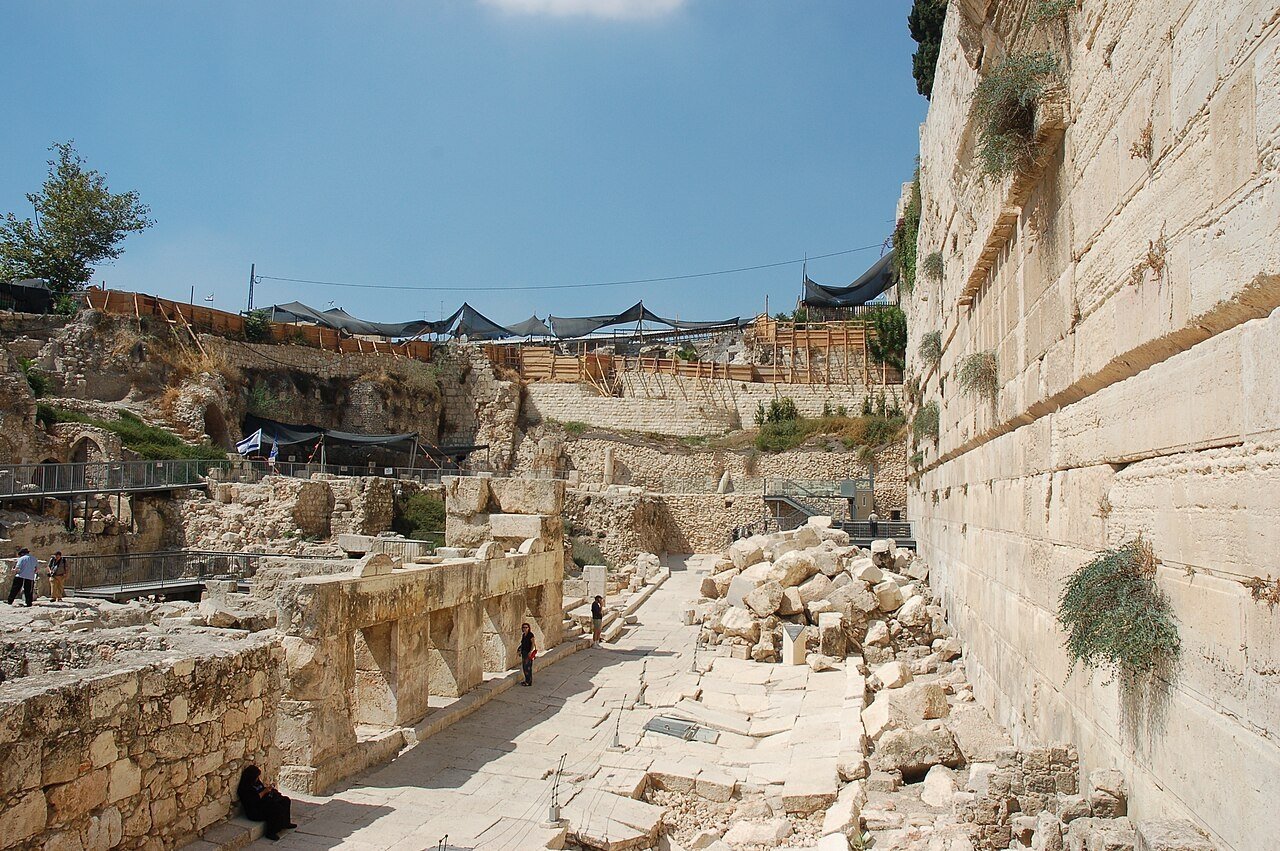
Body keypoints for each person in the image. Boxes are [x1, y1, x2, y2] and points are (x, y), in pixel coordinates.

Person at [237, 765, 295, 841]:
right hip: (255, 811)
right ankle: (271, 832)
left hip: (263, 803)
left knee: (285, 800)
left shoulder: (256, 782)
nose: (257, 779)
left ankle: (286, 823)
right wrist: (265, 792)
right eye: (256, 777)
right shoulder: (245, 788)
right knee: (276, 808)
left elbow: (262, 789)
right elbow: (254, 800)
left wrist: (270, 790)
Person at [518, 622, 536, 686]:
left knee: (528, 667)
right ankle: (526, 680)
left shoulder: (531, 635)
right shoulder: (524, 635)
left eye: (526, 627)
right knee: (524, 667)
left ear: (528, 628)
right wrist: (520, 650)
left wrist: (531, 651)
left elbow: (533, 644)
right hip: (524, 653)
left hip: (528, 653)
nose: (525, 629)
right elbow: (523, 644)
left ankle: (529, 682)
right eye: (523, 627)